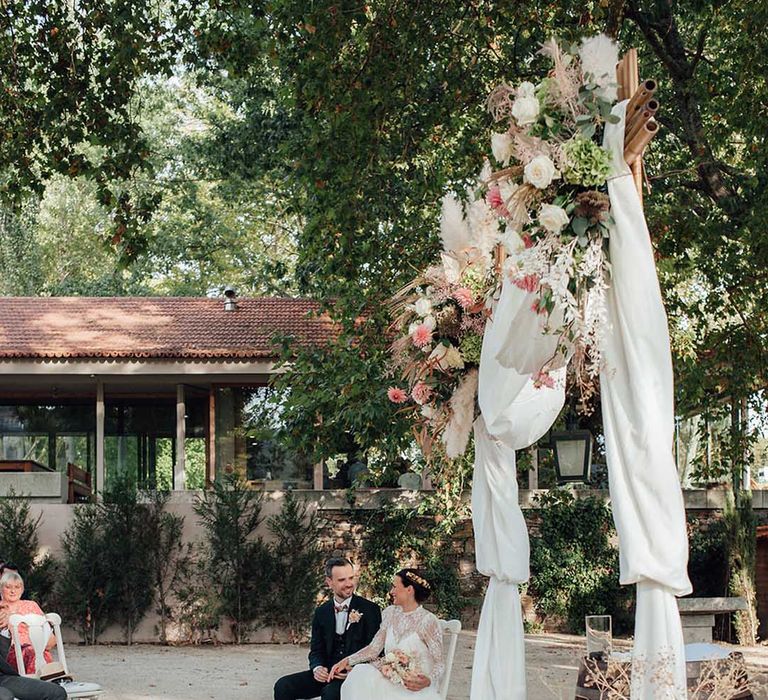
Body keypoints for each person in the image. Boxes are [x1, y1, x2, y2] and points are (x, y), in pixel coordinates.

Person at [274, 557, 382, 700]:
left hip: (354, 675)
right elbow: (316, 650)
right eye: (342, 580)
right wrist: (317, 668)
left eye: (351, 578)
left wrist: (355, 670)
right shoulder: (321, 612)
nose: (349, 584)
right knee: (283, 685)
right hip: (326, 674)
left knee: (330, 694)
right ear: (329, 582)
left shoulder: (370, 610)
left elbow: (377, 650)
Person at [329, 569, 443, 700]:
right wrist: (347, 660)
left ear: (409, 589)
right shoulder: (389, 613)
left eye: (395, 586)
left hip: (414, 689)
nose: (391, 591)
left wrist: (428, 681)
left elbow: (439, 664)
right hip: (389, 682)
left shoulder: (428, 621)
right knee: (360, 673)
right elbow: (374, 649)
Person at [0, 571, 55, 674]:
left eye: (17, 587)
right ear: (1, 589)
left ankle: (43, 681)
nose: (13, 591)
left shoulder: (31, 605)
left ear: (22, 589)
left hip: (38, 650)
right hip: (12, 654)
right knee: (33, 653)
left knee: (39, 653)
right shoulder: (1, 609)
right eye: (8, 587)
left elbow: (49, 636)